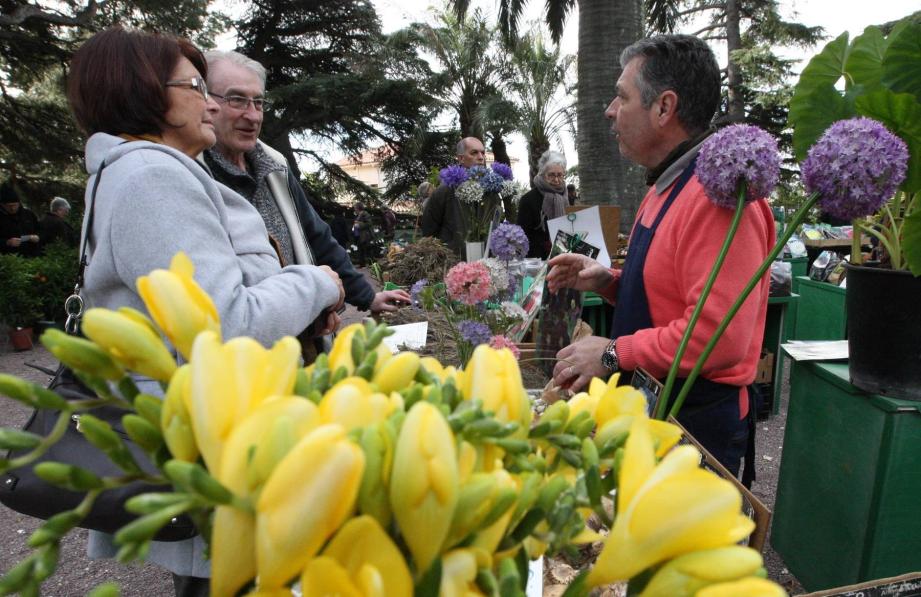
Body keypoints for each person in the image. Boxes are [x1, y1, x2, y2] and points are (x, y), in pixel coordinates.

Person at [67, 26, 345, 595]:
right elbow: (224, 326)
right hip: (210, 438)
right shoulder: (152, 178)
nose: (212, 103)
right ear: (143, 91)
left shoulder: (138, 172)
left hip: (208, 430)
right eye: (196, 86)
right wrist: (315, 284)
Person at [547, 34, 774, 484]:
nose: (610, 110)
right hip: (653, 409)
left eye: (622, 96)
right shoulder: (664, 185)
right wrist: (608, 282)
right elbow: (668, 295)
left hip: (695, 428)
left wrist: (612, 352)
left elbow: (718, 338)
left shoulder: (720, 196)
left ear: (664, 108)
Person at [201, 50, 409, 316]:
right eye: (237, 100)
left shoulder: (274, 167)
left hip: (301, 342)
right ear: (205, 102)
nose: (253, 116)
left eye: (259, 102)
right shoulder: (194, 174)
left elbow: (317, 237)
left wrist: (368, 297)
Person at [421, 136, 485, 255]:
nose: (481, 157)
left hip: (484, 261)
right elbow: (428, 231)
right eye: (474, 153)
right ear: (461, 158)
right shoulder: (445, 190)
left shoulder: (488, 189)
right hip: (453, 263)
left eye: (482, 152)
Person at [516, 150, 567, 259]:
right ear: (543, 174)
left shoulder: (566, 198)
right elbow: (522, 236)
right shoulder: (528, 199)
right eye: (551, 175)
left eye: (560, 175)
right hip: (536, 260)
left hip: (565, 257)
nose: (556, 179)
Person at [0, 181, 41, 257]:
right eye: (9, 206)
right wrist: (7, 242)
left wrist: (37, 237)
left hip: (32, 258)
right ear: (2, 205)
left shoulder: (29, 214)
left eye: (14, 205)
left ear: (19, 203)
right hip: (8, 260)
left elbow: (40, 231)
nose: (12, 208)